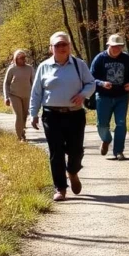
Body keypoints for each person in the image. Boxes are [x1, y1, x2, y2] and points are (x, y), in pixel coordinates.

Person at [30, 32, 95, 201]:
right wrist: (33, 114)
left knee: (76, 150)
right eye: (57, 45)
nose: (61, 48)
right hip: (52, 115)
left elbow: (91, 83)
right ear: (51, 48)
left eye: (64, 44)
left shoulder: (78, 65)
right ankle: (60, 188)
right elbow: (37, 92)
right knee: (56, 152)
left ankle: (72, 172)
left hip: (75, 114)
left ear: (69, 46)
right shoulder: (44, 67)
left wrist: (83, 94)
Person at [90, 34, 129, 160]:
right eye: (113, 46)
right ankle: (106, 140)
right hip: (103, 96)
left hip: (121, 96)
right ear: (109, 46)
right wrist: (102, 83)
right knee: (102, 125)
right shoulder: (100, 58)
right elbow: (90, 78)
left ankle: (118, 151)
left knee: (121, 123)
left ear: (122, 47)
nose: (116, 49)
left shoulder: (126, 58)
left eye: (119, 46)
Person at [3, 49, 35, 140]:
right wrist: (6, 97)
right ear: (16, 59)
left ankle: (22, 130)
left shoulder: (30, 68)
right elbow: (6, 83)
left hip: (27, 95)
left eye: (24, 57)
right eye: (21, 58)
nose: (23, 59)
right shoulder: (12, 69)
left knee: (25, 115)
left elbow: (34, 82)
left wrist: (35, 95)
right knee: (19, 115)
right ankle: (20, 137)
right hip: (14, 95)